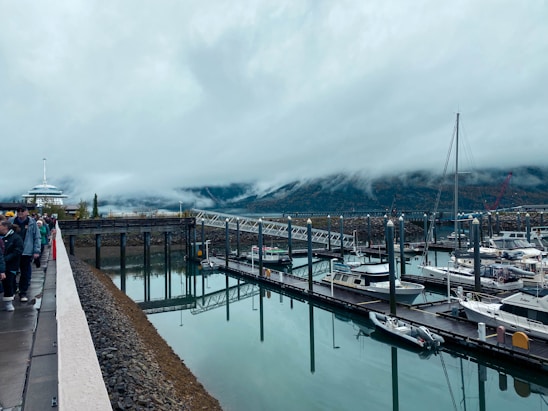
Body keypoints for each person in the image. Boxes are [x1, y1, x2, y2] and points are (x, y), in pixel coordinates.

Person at [9, 206, 40, 302]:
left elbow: (37, 237)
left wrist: (36, 251)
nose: (20, 212)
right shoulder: (11, 221)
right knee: (11, 272)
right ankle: (13, 290)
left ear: (27, 212)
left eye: (22, 211)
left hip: (26, 251)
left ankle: (23, 292)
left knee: (25, 273)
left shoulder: (32, 223)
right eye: (18, 211)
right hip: (13, 251)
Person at [0, 221, 23, 311]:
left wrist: (6, 258)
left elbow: (18, 250)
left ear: (5, 227)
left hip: (10, 265)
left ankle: (9, 303)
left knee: (8, 283)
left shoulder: (16, 238)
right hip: (3, 262)